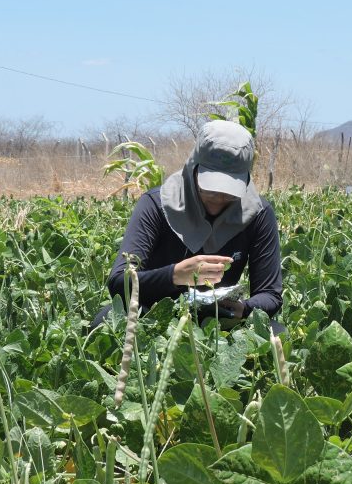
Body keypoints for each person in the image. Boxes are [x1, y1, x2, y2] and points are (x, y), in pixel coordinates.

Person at [93, 120, 283, 329]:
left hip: (219, 323)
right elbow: (119, 284)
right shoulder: (157, 204)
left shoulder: (258, 213)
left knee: (277, 333)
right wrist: (175, 275)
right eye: (209, 188)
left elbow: (270, 294)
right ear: (193, 168)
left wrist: (244, 309)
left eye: (229, 192)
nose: (219, 198)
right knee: (105, 321)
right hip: (155, 319)